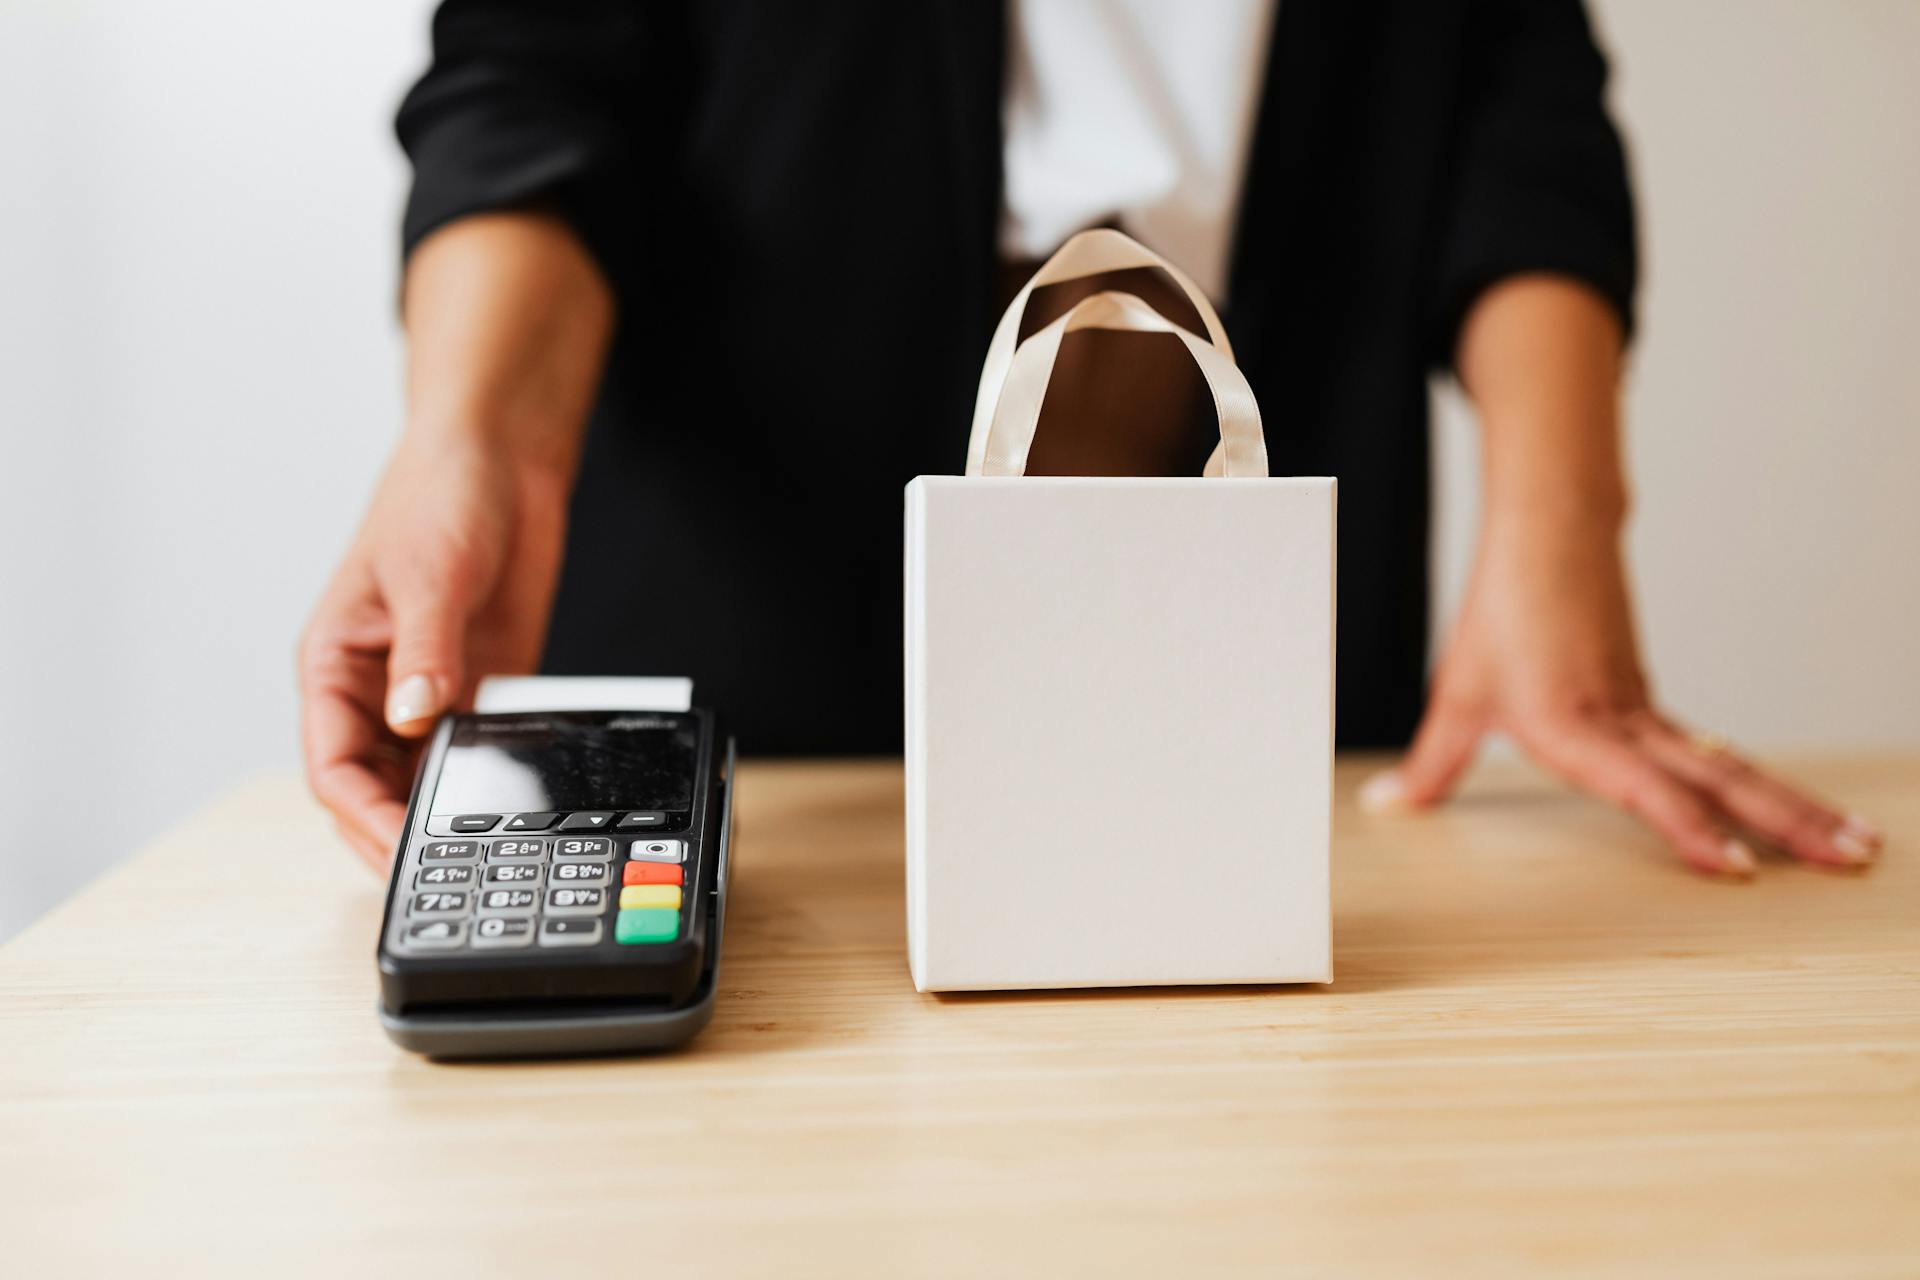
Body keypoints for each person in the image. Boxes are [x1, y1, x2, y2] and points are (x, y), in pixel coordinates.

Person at [301, 0, 1884, 878]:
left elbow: (1512, 88)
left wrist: (1560, 524)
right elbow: (534, 75)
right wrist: (476, 445)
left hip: (1238, 521)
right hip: (756, 549)